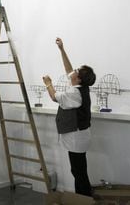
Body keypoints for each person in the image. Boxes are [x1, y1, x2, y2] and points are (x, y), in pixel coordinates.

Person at [42, 37, 96, 196]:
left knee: (78, 171)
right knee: (79, 169)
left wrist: (48, 83)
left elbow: (54, 97)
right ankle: (84, 197)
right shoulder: (79, 86)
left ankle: (84, 198)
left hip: (76, 137)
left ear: (78, 79)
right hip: (80, 135)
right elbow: (69, 69)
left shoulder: (75, 93)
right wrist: (61, 49)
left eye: (77, 72)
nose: (74, 72)